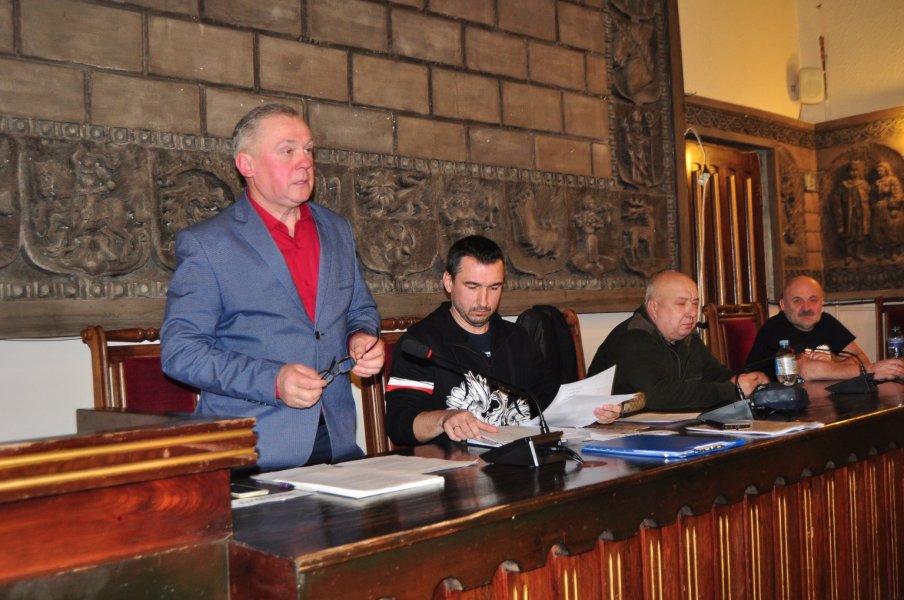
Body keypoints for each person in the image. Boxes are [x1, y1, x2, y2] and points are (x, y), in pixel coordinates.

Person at [161, 103, 384, 470]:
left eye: (308, 150)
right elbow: (181, 353)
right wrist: (273, 381)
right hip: (253, 451)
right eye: (287, 151)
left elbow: (360, 309)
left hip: (338, 444)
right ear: (246, 165)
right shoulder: (208, 244)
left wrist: (361, 337)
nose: (305, 162)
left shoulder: (337, 229)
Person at [384, 235, 621, 446]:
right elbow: (399, 423)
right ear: (448, 282)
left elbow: (548, 400)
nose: (483, 301)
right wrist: (443, 418)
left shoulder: (517, 337)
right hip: (457, 468)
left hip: (520, 463)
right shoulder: (420, 344)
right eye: (472, 286)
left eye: (494, 287)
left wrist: (592, 410)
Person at [587, 271, 769, 410]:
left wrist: (747, 380)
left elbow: (715, 374)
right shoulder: (634, 338)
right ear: (654, 307)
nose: (692, 312)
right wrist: (734, 389)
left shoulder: (687, 337)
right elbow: (662, 396)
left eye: (695, 303)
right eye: (681, 304)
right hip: (615, 434)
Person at [745, 276, 904, 381]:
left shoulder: (826, 322)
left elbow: (861, 358)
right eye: (797, 301)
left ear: (822, 303)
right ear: (783, 305)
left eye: (813, 300)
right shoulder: (775, 328)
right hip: (776, 409)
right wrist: (870, 371)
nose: (806, 307)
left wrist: (833, 361)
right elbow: (807, 370)